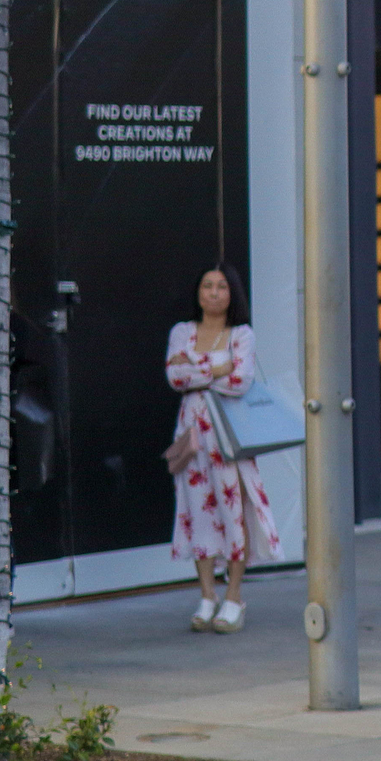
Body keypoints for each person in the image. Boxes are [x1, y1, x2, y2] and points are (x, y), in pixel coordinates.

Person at [165, 265, 278, 633]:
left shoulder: (241, 334)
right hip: (192, 437)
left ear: (233, 293)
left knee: (233, 510)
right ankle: (206, 595)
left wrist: (196, 367)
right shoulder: (182, 331)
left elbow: (240, 380)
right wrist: (218, 366)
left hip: (229, 437)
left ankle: (233, 596)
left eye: (222, 286)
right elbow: (174, 377)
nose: (213, 293)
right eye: (207, 286)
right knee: (196, 511)